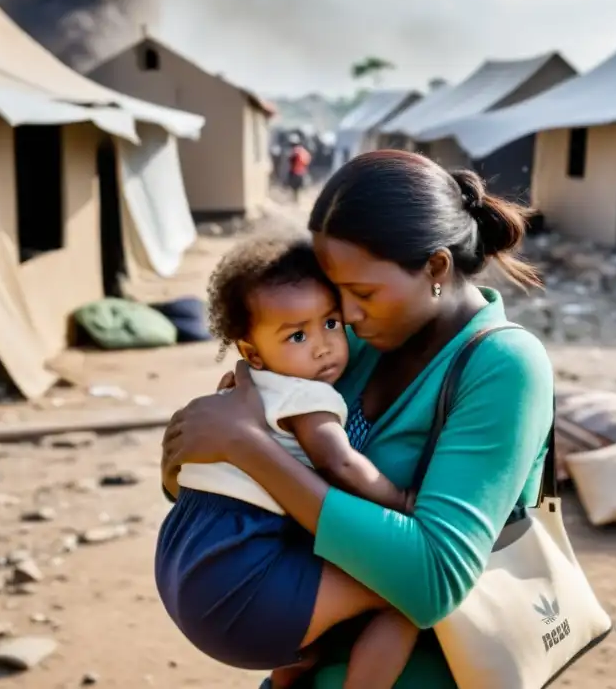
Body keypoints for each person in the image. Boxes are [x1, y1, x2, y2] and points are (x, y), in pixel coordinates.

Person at [161, 150, 555, 688]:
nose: (342, 316)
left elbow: (434, 580)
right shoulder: (357, 343)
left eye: (362, 293)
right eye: (334, 292)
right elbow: (251, 463)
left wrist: (249, 447)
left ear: (435, 268)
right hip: (308, 650)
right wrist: (196, 453)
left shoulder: (502, 367)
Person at [155, 235, 418, 689]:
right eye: (297, 335)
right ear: (251, 352)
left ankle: (286, 681)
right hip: (240, 574)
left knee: (315, 639)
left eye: (331, 323)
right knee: (411, 595)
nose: (322, 347)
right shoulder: (306, 396)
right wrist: (404, 502)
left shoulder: (238, 393)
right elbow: (341, 466)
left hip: (182, 560)